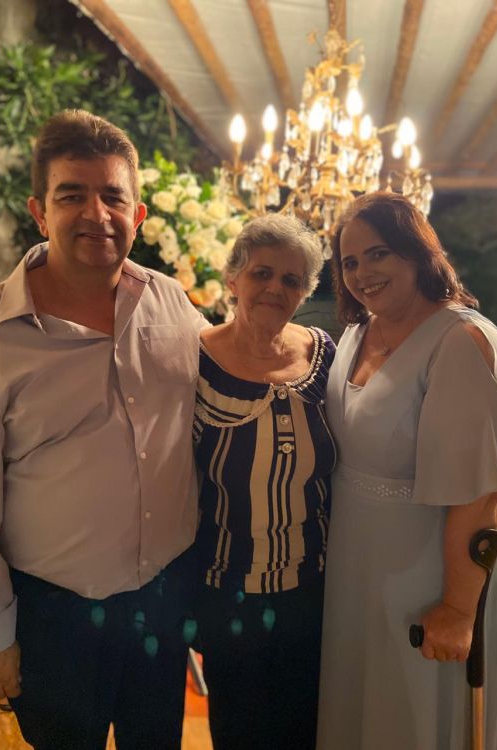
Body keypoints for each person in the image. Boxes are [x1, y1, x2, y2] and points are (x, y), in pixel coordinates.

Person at [0, 109, 207, 750]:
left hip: (164, 601)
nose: (96, 214)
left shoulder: (171, 301)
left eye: (113, 196)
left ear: (139, 214)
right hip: (51, 614)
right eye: (72, 195)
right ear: (39, 212)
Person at [316, 191, 497, 750]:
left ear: (417, 251)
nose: (363, 273)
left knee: (418, 711)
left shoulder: (462, 341)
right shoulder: (357, 334)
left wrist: (458, 609)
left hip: (437, 568)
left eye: (379, 253)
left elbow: (481, 493)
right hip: (360, 562)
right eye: (350, 261)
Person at [193, 214, 336, 750]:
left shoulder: (323, 354)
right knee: (239, 729)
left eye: (291, 279)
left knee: (307, 727)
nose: (276, 287)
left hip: (313, 588)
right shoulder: (193, 359)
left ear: (306, 291)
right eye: (262, 273)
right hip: (225, 590)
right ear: (233, 278)